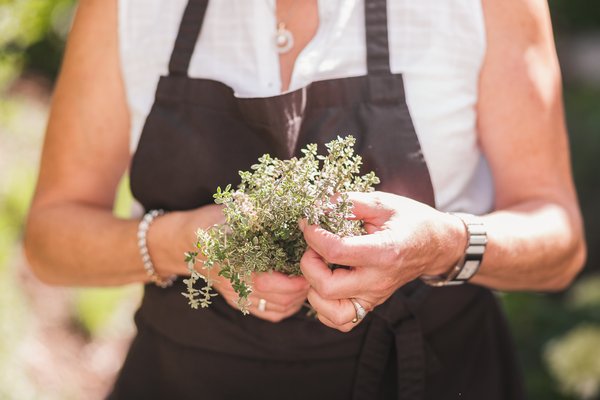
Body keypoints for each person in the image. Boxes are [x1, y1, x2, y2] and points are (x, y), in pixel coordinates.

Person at [24, 0, 586, 399]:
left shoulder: (484, 6)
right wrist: (181, 243)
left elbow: (559, 240)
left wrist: (441, 246)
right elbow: (51, 239)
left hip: (428, 375)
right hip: (189, 379)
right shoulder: (128, 8)